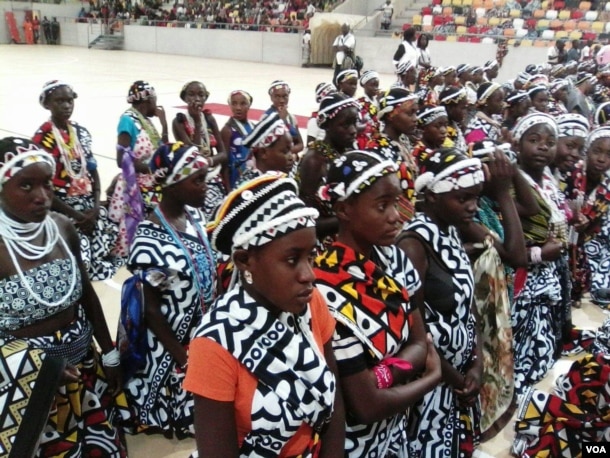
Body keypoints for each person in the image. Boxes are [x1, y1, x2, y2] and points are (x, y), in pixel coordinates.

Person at [184, 173, 346, 457]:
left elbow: (334, 403)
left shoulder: (311, 304)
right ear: (245, 261)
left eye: (311, 256)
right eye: (292, 259)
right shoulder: (215, 344)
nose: (309, 275)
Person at [0, 137, 128, 456]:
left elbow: (85, 295)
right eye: (26, 186)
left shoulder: (61, 228)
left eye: (46, 184)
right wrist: (42, 367)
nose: (42, 197)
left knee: (96, 443)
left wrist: (108, 352)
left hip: (83, 363)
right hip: (28, 381)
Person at [314, 150, 441, 456]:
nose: (396, 216)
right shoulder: (324, 287)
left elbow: (420, 342)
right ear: (344, 209)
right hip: (354, 445)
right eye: (382, 206)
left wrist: (382, 374)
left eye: (396, 202)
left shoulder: (394, 260)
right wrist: (430, 376)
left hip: (395, 435)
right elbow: (365, 405)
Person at [124, 142, 215, 438]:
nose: (206, 186)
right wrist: (183, 358)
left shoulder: (196, 219)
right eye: (197, 180)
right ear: (173, 184)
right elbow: (150, 309)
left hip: (203, 334)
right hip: (172, 346)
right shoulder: (149, 240)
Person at [398, 148, 484, 457]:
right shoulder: (414, 245)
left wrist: (477, 362)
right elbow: (413, 328)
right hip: (433, 382)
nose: (473, 207)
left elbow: (467, 308)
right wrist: (457, 379)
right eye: (463, 199)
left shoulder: (450, 232)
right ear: (433, 196)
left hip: (460, 378)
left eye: (476, 197)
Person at [459, 142, 532, 440]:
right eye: (495, 166)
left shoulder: (486, 203)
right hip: (481, 305)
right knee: (483, 363)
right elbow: (517, 256)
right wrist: (503, 191)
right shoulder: (470, 217)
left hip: (500, 296)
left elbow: (532, 207)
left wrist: (513, 176)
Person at [33, 80, 121, 281]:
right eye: (59, 101)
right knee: (84, 263)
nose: (66, 106)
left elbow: (93, 170)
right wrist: (77, 215)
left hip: (88, 205)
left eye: (70, 100)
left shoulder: (80, 132)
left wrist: (97, 205)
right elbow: (44, 189)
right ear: (47, 104)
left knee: (113, 237)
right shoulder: (42, 139)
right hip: (61, 208)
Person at [510, 113, 569, 393]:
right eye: (534, 140)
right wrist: (540, 253)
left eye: (550, 142)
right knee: (523, 336)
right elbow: (504, 237)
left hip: (551, 270)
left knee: (544, 332)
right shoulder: (512, 185)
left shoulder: (549, 180)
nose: (543, 147)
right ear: (517, 144)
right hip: (523, 277)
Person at [108, 80, 167, 259]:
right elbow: (121, 159)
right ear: (147, 101)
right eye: (155, 100)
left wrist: (164, 124)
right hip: (136, 184)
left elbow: (162, 149)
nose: (156, 105)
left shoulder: (147, 122)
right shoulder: (128, 120)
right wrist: (149, 168)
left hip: (151, 180)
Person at [297, 92, 359, 242]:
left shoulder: (349, 153)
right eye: (345, 124)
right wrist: (354, 218)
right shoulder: (314, 161)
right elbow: (305, 222)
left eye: (354, 122)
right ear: (327, 125)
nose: (353, 130)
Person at [564, 127, 610, 307]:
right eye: (597, 151)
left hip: (591, 248)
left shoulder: (606, 188)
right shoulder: (570, 175)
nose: (601, 159)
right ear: (587, 151)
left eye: (608, 154)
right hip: (564, 244)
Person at [172, 81, 227, 220]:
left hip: (212, 174)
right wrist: (196, 121)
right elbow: (193, 154)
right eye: (191, 95)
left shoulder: (209, 119)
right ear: (185, 98)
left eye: (201, 95)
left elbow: (223, 154)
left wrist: (209, 160)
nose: (196, 99)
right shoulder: (179, 121)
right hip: (193, 177)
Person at [367, 88, 420, 223]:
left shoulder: (403, 140)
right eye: (410, 113)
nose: (415, 119)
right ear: (391, 115)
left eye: (416, 113)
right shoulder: (378, 147)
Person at [239, 111, 295, 183]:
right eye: (285, 151)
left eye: (290, 150)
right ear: (263, 153)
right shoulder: (249, 186)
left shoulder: (288, 174)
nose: (291, 157)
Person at [220, 89, 254, 190]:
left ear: (249, 105)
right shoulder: (227, 130)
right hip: (236, 178)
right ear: (230, 105)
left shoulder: (254, 126)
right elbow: (224, 163)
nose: (238, 108)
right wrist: (228, 188)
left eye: (243, 104)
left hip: (253, 175)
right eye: (234, 104)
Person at [266, 80, 304, 157]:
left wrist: (288, 153)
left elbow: (300, 144)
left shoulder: (291, 118)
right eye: (277, 96)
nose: (282, 100)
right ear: (271, 98)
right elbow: (265, 146)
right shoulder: (266, 118)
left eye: (285, 96)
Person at [356, 70, 380, 149]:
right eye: (372, 85)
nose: (376, 88)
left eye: (377, 85)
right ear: (364, 86)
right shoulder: (360, 103)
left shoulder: (379, 101)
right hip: (366, 139)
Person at [440, 86, 469, 152]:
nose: (465, 111)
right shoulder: (444, 132)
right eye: (463, 108)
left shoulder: (455, 125)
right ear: (450, 109)